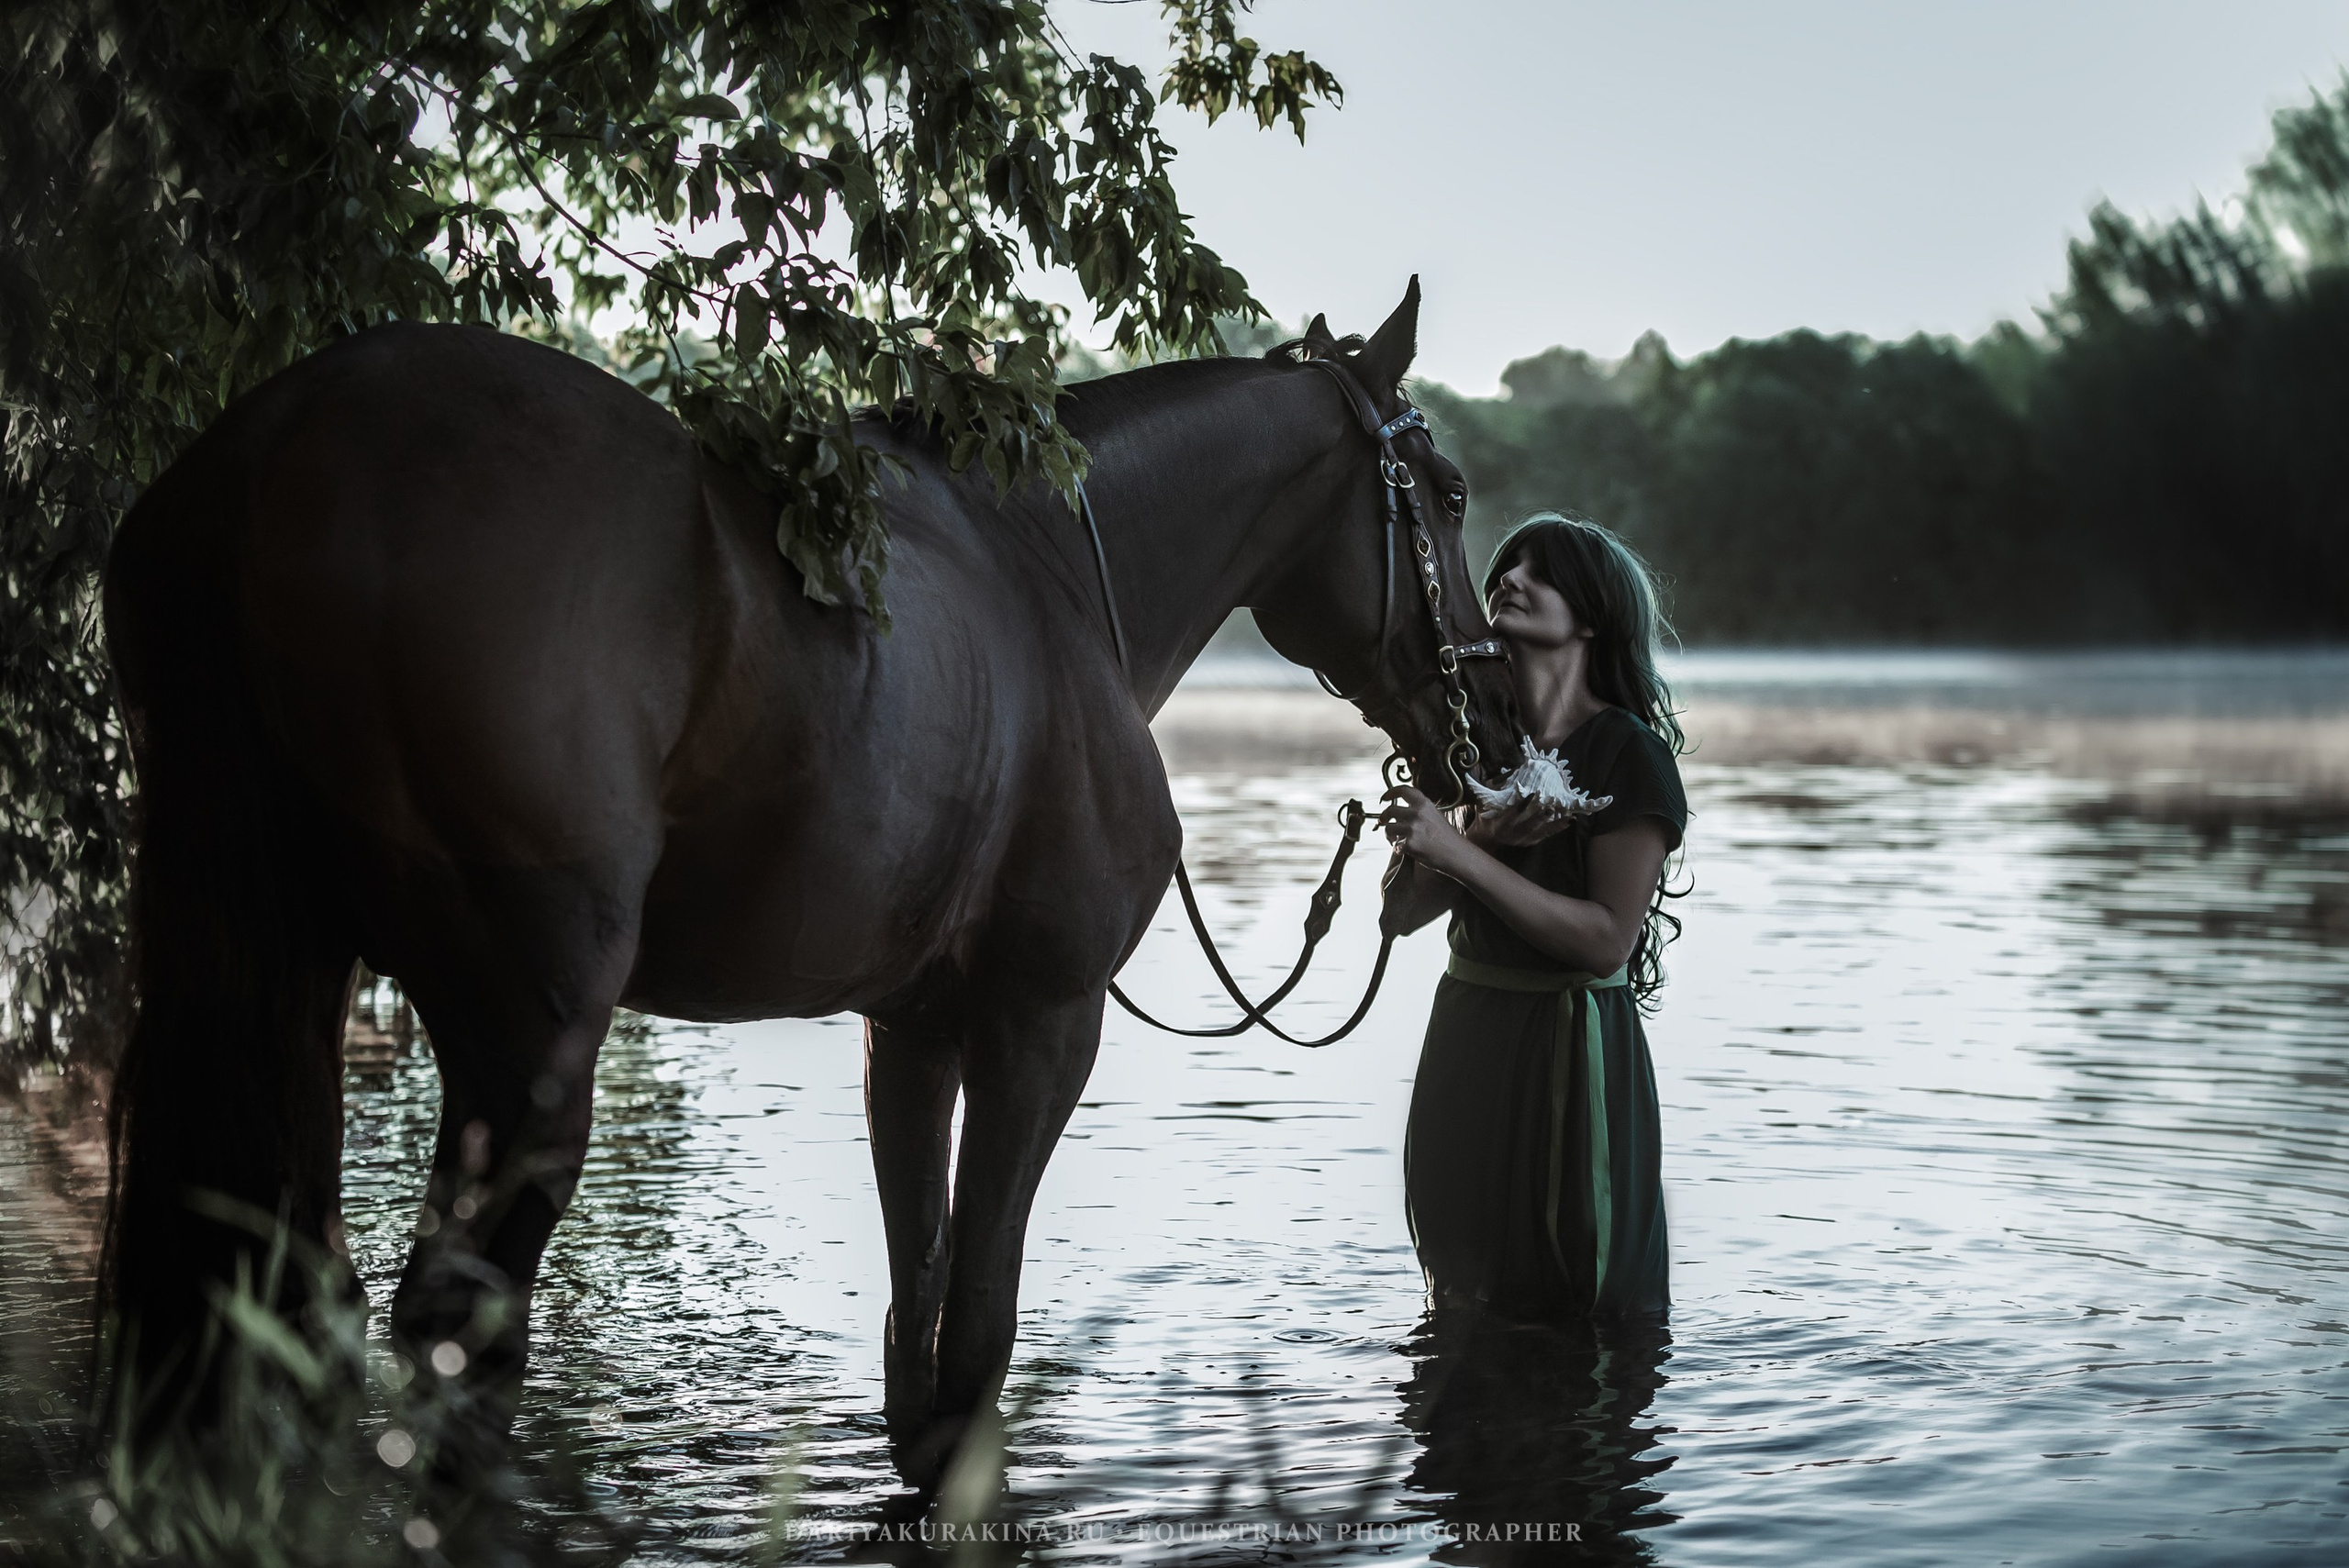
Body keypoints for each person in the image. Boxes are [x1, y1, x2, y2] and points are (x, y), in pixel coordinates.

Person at [1378, 512, 1687, 1322]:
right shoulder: (1471, 741)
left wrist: (1464, 853)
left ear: (1590, 616)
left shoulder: (1629, 753)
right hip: (1466, 1030)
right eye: (1506, 568)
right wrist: (1478, 834)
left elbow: (1605, 940)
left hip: (1571, 1047)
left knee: (1579, 1290)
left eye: (1539, 572)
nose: (1509, 580)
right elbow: (1398, 914)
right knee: (1458, 1285)